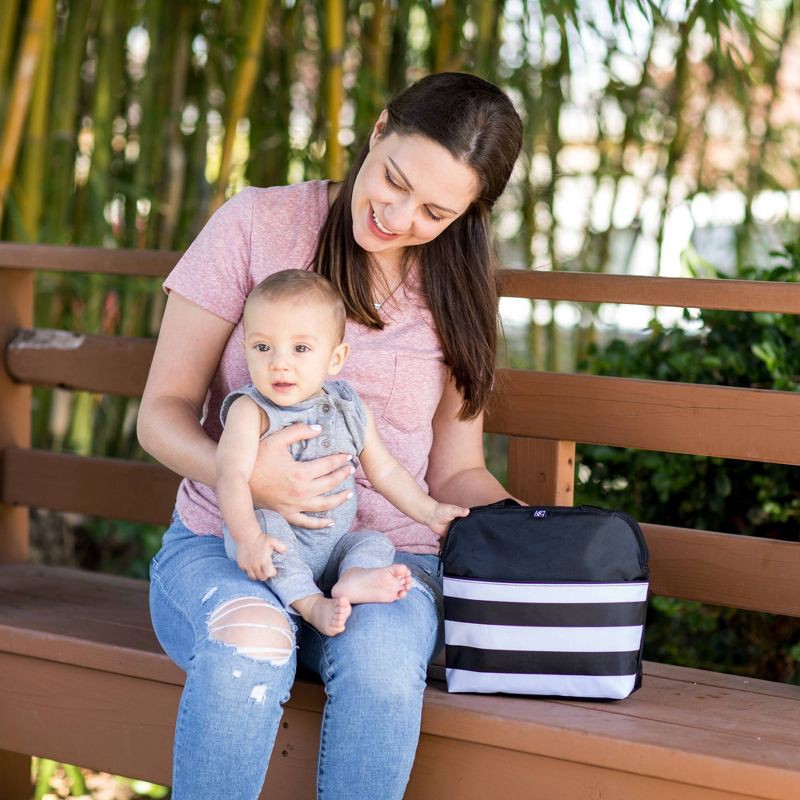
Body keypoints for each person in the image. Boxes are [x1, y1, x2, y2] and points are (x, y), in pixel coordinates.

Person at [138, 71, 523, 800]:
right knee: (252, 643)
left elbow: (456, 469)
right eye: (393, 180)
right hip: (228, 548)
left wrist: (519, 534)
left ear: (470, 214)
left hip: (381, 563)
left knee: (381, 667)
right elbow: (161, 411)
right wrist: (245, 475)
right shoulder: (257, 223)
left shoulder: (460, 289)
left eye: (434, 211)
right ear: (378, 132)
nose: (397, 216)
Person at [218, 269, 469, 636]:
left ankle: (352, 578)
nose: (279, 363)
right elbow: (231, 476)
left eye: (300, 348)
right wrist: (246, 537)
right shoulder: (250, 410)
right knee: (269, 527)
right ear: (247, 350)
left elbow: (384, 471)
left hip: (333, 545)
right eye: (262, 347)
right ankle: (309, 603)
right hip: (272, 540)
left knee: (373, 541)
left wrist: (429, 512)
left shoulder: (348, 405)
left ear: (336, 358)